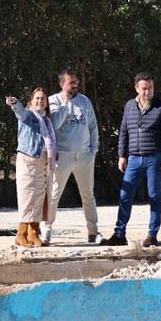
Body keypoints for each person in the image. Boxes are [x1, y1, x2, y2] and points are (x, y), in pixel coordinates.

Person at [103, 72, 161, 248]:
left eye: (150, 88)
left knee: (154, 196)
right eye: (144, 88)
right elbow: (124, 131)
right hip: (133, 158)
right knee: (125, 195)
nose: (147, 92)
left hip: (154, 158)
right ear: (136, 88)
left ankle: (152, 235)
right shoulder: (129, 106)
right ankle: (119, 234)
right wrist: (121, 155)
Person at [46, 68, 100, 244]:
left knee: (88, 195)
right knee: (54, 194)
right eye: (71, 82)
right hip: (63, 156)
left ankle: (93, 231)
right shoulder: (53, 101)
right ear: (62, 84)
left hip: (84, 155)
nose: (75, 84)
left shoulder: (85, 101)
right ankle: (46, 229)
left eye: (76, 81)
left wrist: (93, 150)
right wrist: (65, 103)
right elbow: (54, 124)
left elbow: (92, 126)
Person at [5, 88, 57, 247]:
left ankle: (33, 233)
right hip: (28, 160)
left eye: (43, 99)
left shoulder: (47, 121)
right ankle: (20, 234)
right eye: (37, 99)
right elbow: (20, 111)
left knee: (39, 199)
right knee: (27, 197)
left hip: (43, 162)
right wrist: (14, 103)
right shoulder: (28, 115)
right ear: (31, 101)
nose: (40, 101)